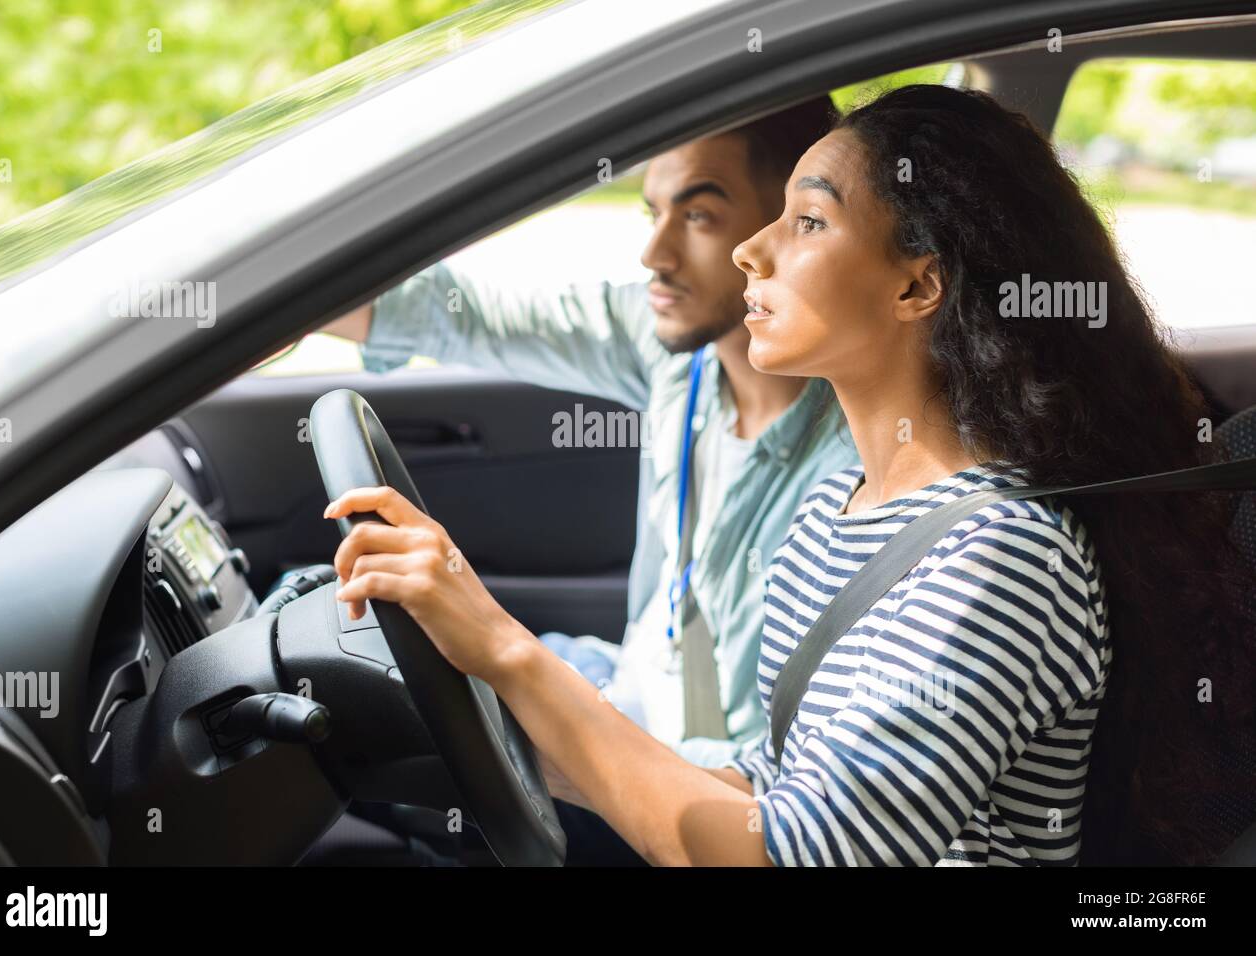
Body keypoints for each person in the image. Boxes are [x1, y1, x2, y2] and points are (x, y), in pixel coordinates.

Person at [324, 84, 1255, 865]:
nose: (748, 251)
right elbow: (766, 791)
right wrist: (478, 697)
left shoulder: (1006, 561)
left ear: (915, 287)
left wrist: (504, 649)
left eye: (806, 220)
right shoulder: (839, 503)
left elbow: (784, 856)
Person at [322, 94, 856, 773]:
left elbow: (781, 799)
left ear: (790, 229)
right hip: (626, 694)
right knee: (349, 661)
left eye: (698, 215)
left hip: (696, 781)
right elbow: (469, 317)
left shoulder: (859, 462)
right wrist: (264, 296)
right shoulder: (673, 351)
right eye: (652, 212)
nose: (654, 254)